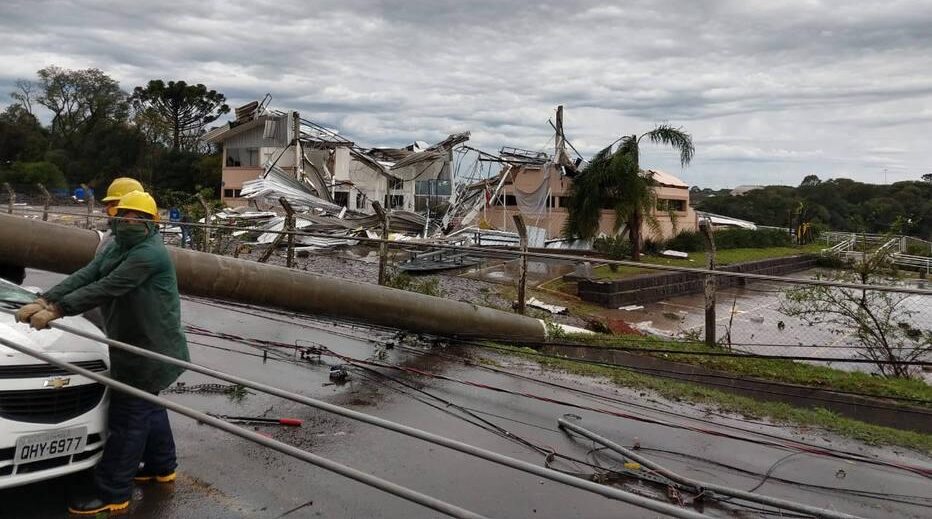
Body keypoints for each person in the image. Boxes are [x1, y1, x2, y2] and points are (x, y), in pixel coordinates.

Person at [15, 190, 190, 516]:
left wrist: (57, 309)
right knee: (149, 409)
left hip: (149, 349)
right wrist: (46, 299)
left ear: (152, 223)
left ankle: (113, 492)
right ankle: (161, 467)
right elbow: (90, 274)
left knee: (128, 418)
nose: (128, 221)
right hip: (137, 343)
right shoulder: (120, 246)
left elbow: (107, 286)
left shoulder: (148, 254)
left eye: (137, 218)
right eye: (123, 214)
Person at [98, 177, 145, 252]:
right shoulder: (111, 235)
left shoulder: (138, 245)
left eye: (113, 205)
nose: (107, 210)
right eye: (108, 204)